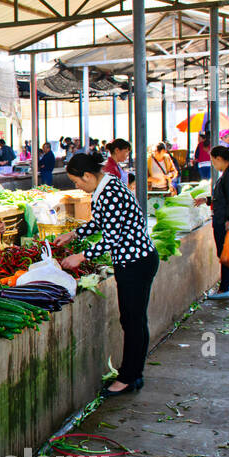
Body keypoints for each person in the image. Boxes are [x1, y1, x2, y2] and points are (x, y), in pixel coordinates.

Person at [56, 151, 158, 397]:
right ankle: (133, 373)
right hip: (135, 261)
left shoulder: (110, 192)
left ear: (89, 175)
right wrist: (74, 234)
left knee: (133, 321)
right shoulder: (107, 186)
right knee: (132, 320)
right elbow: (102, 222)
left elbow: (112, 237)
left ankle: (129, 377)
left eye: (77, 181)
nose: (77, 186)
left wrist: (80, 257)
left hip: (135, 262)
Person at [198, 146, 229, 300]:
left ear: (219, 159)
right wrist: (207, 200)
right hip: (226, 217)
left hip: (225, 219)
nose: (213, 164)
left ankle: (225, 289)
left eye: (213, 160)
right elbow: (225, 197)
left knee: (226, 254)